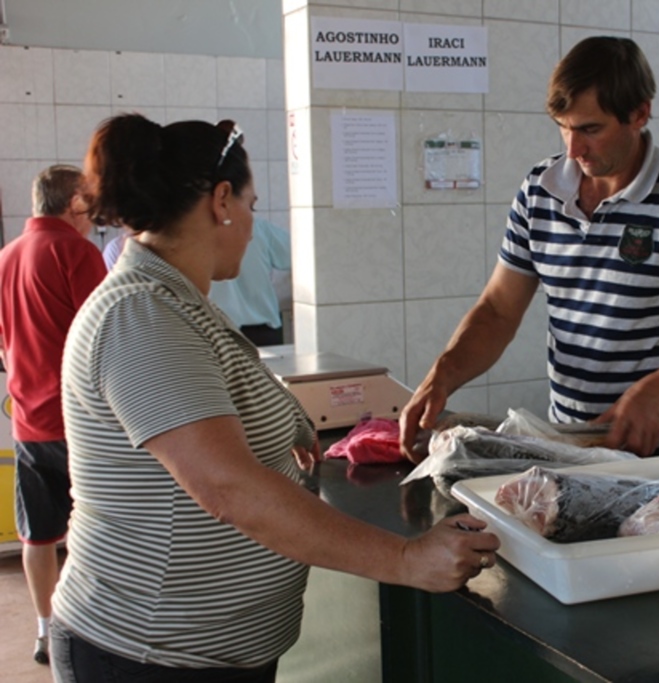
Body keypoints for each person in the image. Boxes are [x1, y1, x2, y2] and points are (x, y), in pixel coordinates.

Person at [50, 114, 499, 681]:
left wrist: (284, 430)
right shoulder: (141, 314)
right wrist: (406, 559)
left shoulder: (179, 302)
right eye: (253, 205)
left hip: (208, 653)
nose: (252, 221)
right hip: (147, 652)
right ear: (221, 201)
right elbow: (226, 486)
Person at [400, 36, 659, 461]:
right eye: (563, 126)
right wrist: (444, 373)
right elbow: (498, 310)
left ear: (640, 113)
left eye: (590, 129)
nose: (573, 149)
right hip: (565, 448)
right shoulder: (539, 191)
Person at [0, 164, 107, 665]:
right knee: (99, 528)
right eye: (90, 201)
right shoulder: (76, 252)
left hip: (27, 419)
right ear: (73, 205)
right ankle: (96, 626)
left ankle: (45, 630)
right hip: (82, 423)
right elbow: (107, 335)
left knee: (37, 533)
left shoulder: (6, 258)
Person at [208, 216, 291, 346]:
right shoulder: (259, 228)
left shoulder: (191, 233)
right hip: (262, 330)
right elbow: (303, 254)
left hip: (216, 331)